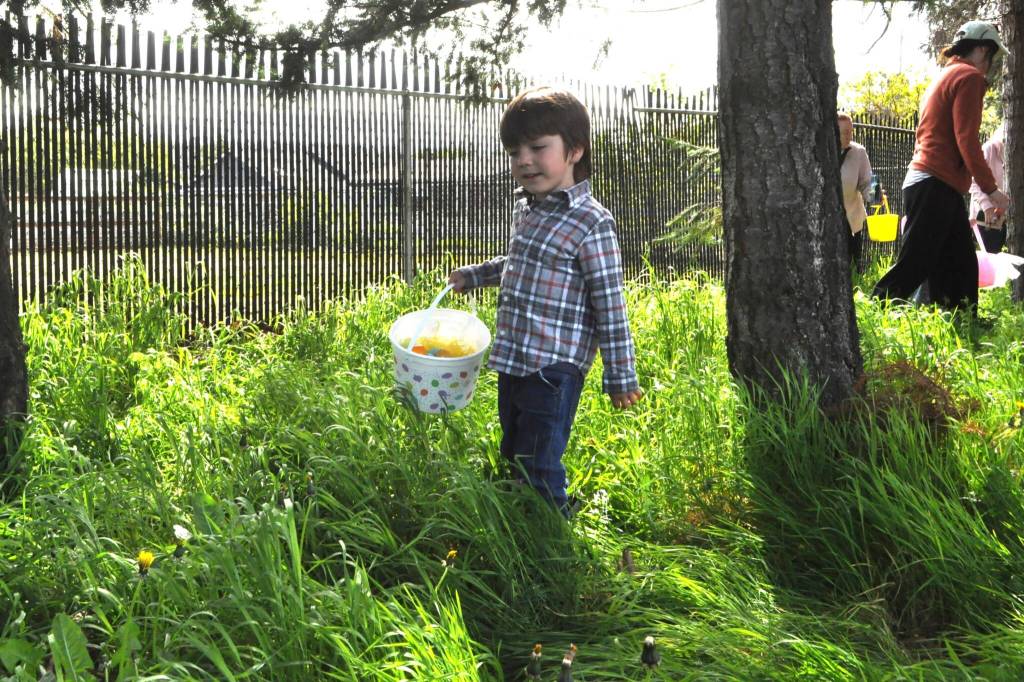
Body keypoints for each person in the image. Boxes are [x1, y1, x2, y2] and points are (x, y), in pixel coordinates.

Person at [448, 86, 642, 516]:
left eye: (537, 148)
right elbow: (519, 263)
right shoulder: (529, 210)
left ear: (574, 150)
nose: (524, 160)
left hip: (554, 365)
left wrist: (621, 375)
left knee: (539, 455)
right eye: (515, 151)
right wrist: (477, 275)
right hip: (515, 357)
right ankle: (523, 509)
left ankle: (551, 529)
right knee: (514, 443)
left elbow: (610, 305)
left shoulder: (591, 221)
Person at [872, 20, 1011, 312]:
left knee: (960, 263)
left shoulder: (945, 74)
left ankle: (963, 322)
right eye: (993, 57)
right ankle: (872, 312)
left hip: (934, 183)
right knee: (915, 263)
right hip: (935, 183)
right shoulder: (969, 77)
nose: (991, 66)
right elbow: (967, 141)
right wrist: (991, 189)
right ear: (984, 49)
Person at [838, 112, 873, 268]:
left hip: (852, 217)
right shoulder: (822, 152)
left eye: (850, 132)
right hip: (829, 217)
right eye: (844, 132)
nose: (848, 136)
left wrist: (875, 195)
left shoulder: (859, 152)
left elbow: (867, 181)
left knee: (854, 263)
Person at [969, 122, 1008, 253]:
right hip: (984, 219)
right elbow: (973, 180)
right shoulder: (989, 149)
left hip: (1003, 221)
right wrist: (987, 205)